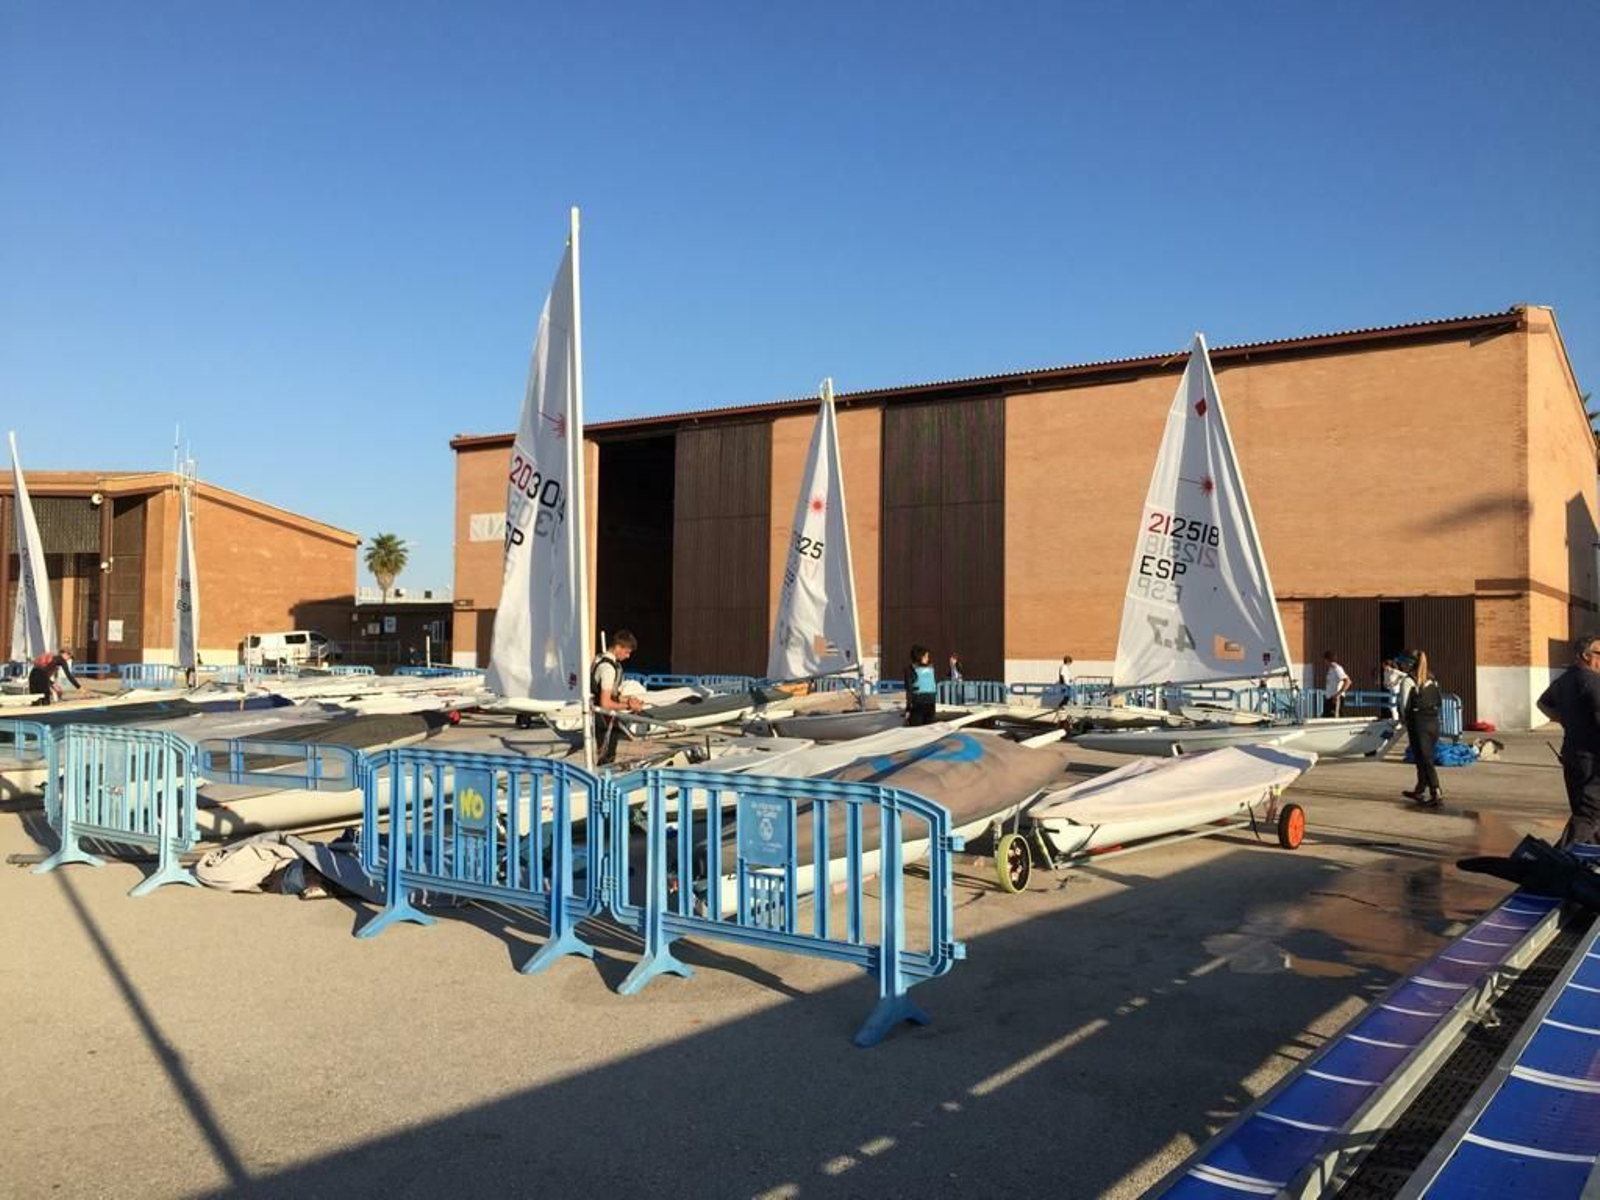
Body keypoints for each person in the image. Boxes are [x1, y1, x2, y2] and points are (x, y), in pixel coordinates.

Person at [1538, 634, 1600, 848]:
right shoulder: (1592, 680)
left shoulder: (1564, 680)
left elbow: (1543, 703)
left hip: (1571, 755)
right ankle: (1559, 861)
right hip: (1592, 760)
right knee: (1589, 815)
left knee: (1584, 811)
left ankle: (1586, 860)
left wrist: (1565, 719)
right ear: (1586, 655)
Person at [591, 630, 645, 766]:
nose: (628, 656)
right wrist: (629, 706)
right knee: (606, 757)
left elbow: (613, 695)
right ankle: (603, 782)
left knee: (608, 755)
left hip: (604, 717)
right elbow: (605, 703)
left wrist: (628, 700)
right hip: (603, 718)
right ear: (618, 647)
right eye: (627, 652)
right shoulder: (608, 668)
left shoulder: (600, 659)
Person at [1401, 651, 1444, 807]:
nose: (1402, 665)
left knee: (1425, 758)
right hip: (1433, 721)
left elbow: (1404, 704)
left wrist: (1402, 718)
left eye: (1404, 662)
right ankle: (1420, 788)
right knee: (1422, 756)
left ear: (1410, 663)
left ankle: (1436, 791)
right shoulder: (1432, 678)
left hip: (1418, 722)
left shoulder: (1408, 681)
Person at [905, 644, 937, 726]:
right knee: (928, 729)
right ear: (919, 656)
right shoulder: (931, 668)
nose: (928, 659)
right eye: (926, 656)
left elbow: (909, 689)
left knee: (917, 729)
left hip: (921, 703)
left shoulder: (910, 669)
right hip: (928, 702)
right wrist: (908, 708)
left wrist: (908, 709)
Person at [1322, 650, 1351, 718]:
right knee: (1326, 718)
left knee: (1336, 718)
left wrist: (1338, 694)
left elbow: (1348, 682)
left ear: (1327, 659)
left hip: (1335, 699)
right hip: (1329, 699)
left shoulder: (1337, 668)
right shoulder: (1331, 669)